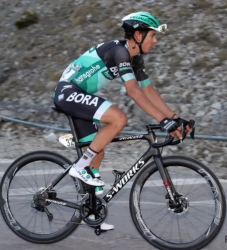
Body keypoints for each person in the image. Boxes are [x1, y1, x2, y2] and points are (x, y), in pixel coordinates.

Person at [53, 11, 190, 230]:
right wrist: (163, 121)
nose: (155, 41)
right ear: (138, 34)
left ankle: (92, 207)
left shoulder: (135, 57)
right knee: (118, 119)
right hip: (68, 92)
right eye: (152, 36)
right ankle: (79, 167)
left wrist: (174, 118)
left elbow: (149, 91)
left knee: (98, 148)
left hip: (79, 96)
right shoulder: (120, 52)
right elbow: (134, 92)